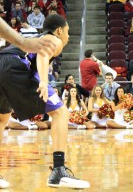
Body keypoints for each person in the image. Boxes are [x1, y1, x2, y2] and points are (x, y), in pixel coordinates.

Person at [0, 15, 90, 188]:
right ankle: (58, 170)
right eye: (68, 32)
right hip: (15, 66)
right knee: (61, 112)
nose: (69, 36)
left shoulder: (35, 38)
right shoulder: (54, 39)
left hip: (2, 60)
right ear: (59, 30)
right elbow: (42, 54)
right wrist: (43, 80)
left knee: (2, 118)